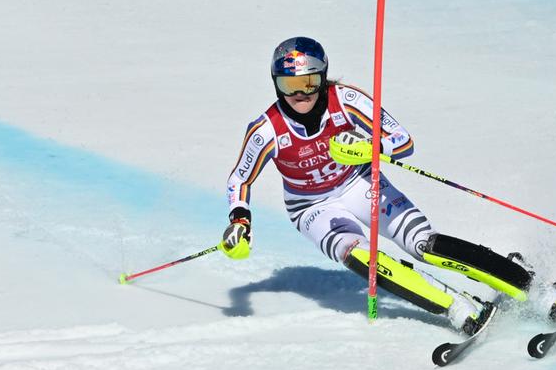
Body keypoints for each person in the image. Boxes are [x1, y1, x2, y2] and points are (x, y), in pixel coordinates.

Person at [221, 36, 533, 334]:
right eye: (288, 86)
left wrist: (371, 147)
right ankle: (457, 308)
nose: (299, 95)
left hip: (358, 182)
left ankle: (524, 282)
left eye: (308, 83)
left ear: (322, 77)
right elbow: (240, 178)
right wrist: (239, 221)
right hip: (311, 207)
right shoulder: (266, 130)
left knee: (422, 244)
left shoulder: (345, 100)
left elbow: (402, 140)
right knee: (360, 257)